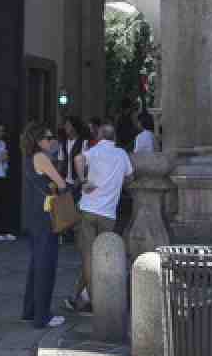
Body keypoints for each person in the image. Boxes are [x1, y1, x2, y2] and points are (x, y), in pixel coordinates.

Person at [67, 121, 133, 314]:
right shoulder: (122, 154)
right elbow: (130, 177)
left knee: (88, 257)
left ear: (99, 136)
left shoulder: (94, 151)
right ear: (115, 137)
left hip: (88, 209)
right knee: (101, 257)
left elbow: (78, 158)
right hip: (108, 214)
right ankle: (80, 296)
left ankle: (93, 300)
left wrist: (83, 180)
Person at [20, 123, 69, 330]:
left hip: (34, 217)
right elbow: (61, 184)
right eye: (48, 138)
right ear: (38, 140)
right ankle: (42, 316)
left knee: (36, 265)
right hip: (45, 218)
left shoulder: (28, 157)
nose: (52, 141)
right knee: (45, 266)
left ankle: (30, 311)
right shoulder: (41, 157)